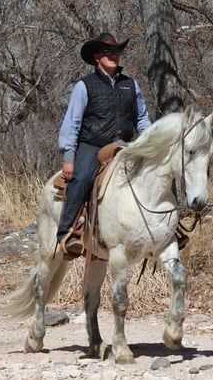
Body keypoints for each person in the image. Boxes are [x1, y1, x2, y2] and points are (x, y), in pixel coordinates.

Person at [56, 32, 152, 257]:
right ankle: (68, 234)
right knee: (81, 179)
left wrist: (151, 142)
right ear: (96, 56)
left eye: (116, 51)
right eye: (108, 51)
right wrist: (69, 157)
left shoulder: (131, 85)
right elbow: (72, 122)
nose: (113, 55)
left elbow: (142, 119)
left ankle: (169, 229)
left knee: (159, 170)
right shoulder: (84, 86)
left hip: (126, 145)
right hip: (93, 146)